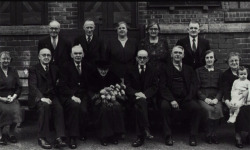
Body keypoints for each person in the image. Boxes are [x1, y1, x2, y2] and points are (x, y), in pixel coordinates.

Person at [159, 45, 202, 146]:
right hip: (170, 98)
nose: (177, 55)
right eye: (175, 52)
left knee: (197, 108)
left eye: (179, 53)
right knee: (164, 107)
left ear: (183, 55)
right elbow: (162, 86)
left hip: (185, 98)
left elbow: (194, 85)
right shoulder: (165, 69)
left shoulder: (189, 69)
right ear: (171, 55)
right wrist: (171, 100)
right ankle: (168, 135)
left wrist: (188, 98)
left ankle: (193, 135)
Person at [28, 48, 67, 149]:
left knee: (58, 107)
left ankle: (59, 137)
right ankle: (42, 138)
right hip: (38, 97)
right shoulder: (33, 69)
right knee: (44, 107)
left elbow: (59, 84)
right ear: (39, 57)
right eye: (44, 55)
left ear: (51, 57)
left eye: (48, 55)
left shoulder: (54, 69)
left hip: (51, 96)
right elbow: (33, 87)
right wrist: (41, 98)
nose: (46, 57)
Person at [58, 45, 90, 149]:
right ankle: (73, 137)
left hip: (83, 95)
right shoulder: (65, 66)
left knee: (84, 110)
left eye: (80, 53)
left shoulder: (87, 66)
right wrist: (72, 96)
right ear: (71, 55)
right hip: (68, 95)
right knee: (75, 106)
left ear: (83, 54)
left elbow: (88, 84)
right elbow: (62, 86)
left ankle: (82, 131)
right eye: (75, 53)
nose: (78, 55)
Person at [124, 50, 158, 147]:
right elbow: (127, 86)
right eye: (140, 57)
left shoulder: (153, 70)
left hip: (148, 98)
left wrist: (144, 94)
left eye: (144, 58)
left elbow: (155, 86)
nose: (142, 60)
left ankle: (140, 136)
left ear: (147, 59)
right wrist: (136, 93)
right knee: (139, 104)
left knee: (139, 106)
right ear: (136, 58)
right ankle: (146, 128)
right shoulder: (130, 69)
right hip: (133, 98)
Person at [88, 60, 125, 146]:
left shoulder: (112, 75)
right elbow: (89, 91)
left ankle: (114, 135)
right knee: (104, 109)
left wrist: (115, 92)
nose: (103, 71)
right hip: (97, 99)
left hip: (112, 98)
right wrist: (100, 92)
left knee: (116, 107)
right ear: (97, 68)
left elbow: (118, 85)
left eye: (105, 69)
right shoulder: (92, 75)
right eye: (101, 69)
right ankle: (104, 136)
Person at [221, 52, 250, 148]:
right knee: (239, 109)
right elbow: (225, 90)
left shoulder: (245, 71)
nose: (234, 62)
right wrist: (228, 103)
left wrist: (247, 92)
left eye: (236, 60)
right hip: (233, 99)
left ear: (239, 61)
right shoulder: (226, 75)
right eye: (231, 61)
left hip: (248, 98)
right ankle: (238, 136)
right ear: (228, 62)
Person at [196, 50, 223, 144]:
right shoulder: (199, 71)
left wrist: (217, 99)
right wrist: (204, 98)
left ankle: (214, 134)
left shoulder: (219, 72)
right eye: (207, 58)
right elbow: (197, 88)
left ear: (214, 59)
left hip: (215, 97)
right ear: (204, 59)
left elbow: (221, 89)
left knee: (218, 109)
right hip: (204, 97)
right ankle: (208, 134)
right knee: (208, 110)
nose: (209, 59)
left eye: (211, 57)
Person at [0, 51, 22, 145]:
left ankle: (11, 133)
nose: (6, 60)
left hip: (11, 97)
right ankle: (0, 135)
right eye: (4, 58)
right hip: (0, 98)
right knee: (3, 111)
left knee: (16, 110)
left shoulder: (13, 70)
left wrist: (13, 97)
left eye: (8, 59)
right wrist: (1, 98)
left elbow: (19, 87)